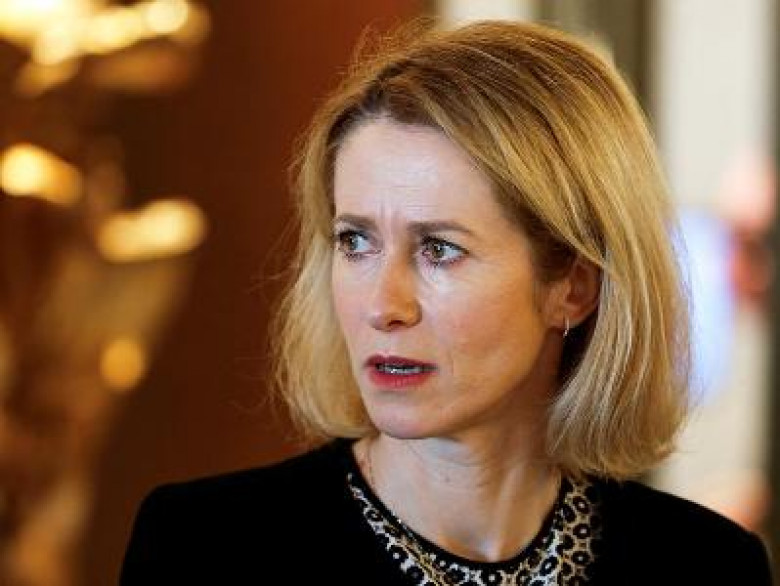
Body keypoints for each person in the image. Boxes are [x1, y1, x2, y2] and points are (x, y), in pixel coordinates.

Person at [119, 20, 773, 585]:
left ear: (574, 287)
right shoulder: (204, 549)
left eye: (439, 250)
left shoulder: (707, 566)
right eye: (355, 241)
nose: (383, 306)